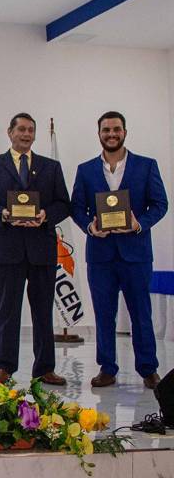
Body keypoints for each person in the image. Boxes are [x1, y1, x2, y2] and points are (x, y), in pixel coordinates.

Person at [70, 111, 168, 389]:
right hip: (100, 255)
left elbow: (160, 204)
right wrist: (90, 227)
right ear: (98, 133)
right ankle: (107, 368)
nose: (111, 134)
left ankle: (148, 369)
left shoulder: (147, 166)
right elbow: (77, 207)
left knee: (141, 313)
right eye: (106, 130)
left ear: (125, 132)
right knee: (103, 313)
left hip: (136, 254)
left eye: (116, 130)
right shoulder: (86, 169)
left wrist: (139, 223)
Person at [0, 112, 70, 385]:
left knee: (43, 313)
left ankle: (45, 368)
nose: (26, 135)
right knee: (7, 311)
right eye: (21, 130)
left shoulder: (50, 167)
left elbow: (64, 204)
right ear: (10, 132)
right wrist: (3, 213)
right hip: (7, 251)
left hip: (42, 251)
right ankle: (4, 366)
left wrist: (45, 216)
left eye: (30, 130)